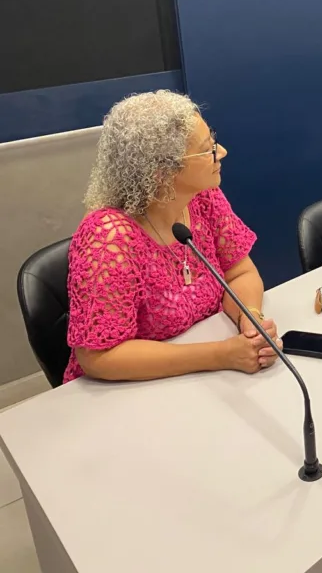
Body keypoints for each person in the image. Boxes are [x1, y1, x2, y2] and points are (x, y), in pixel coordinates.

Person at [63, 91, 281, 383]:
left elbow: (240, 272)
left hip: (198, 378)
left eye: (213, 141)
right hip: (125, 392)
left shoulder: (203, 198)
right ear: (162, 171)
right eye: (207, 149)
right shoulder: (108, 238)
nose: (222, 152)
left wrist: (250, 320)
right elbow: (99, 357)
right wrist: (221, 355)